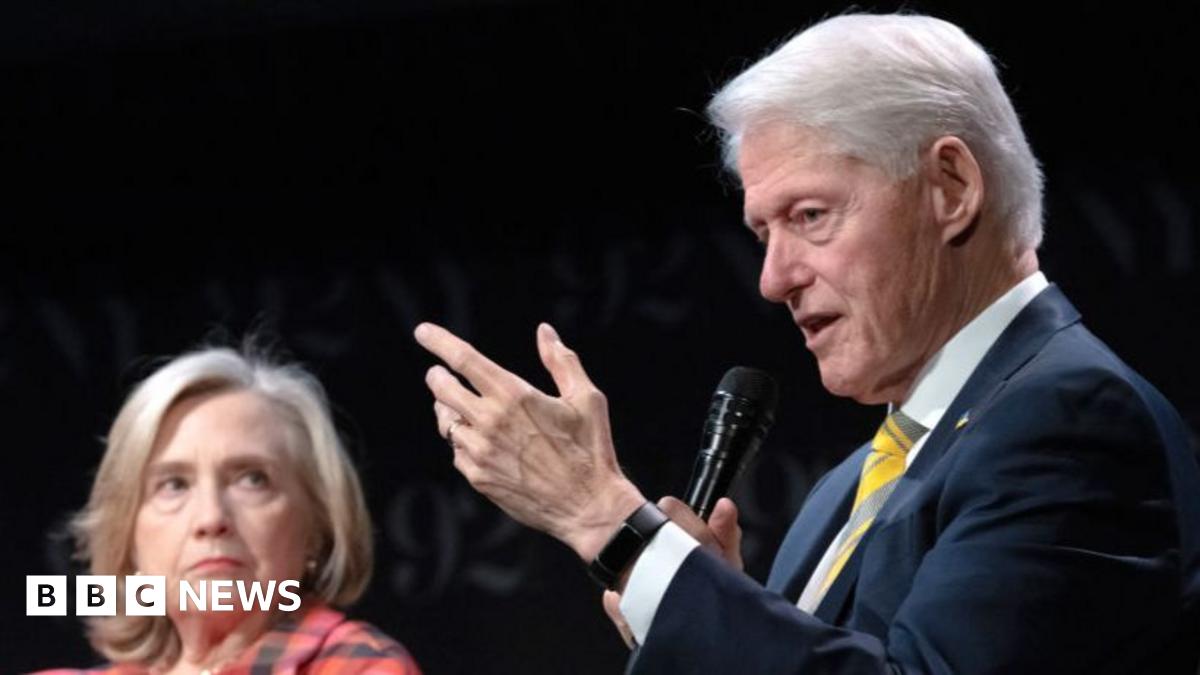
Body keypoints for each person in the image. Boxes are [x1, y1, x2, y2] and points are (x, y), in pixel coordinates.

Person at [413, 11, 1200, 674]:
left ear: (951, 189)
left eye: (810, 216)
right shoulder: (847, 488)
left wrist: (607, 519)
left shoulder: (1070, 419)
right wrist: (708, 610)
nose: (772, 277)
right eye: (762, 230)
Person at [38, 346, 420, 674]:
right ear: (129, 538)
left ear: (317, 528)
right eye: (173, 485)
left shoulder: (359, 665)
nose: (211, 519)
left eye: (252, 479)